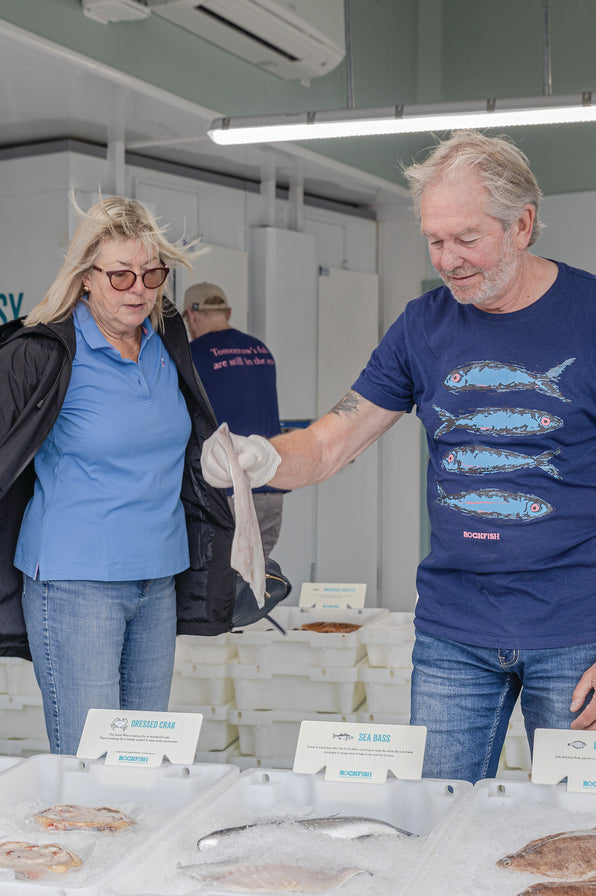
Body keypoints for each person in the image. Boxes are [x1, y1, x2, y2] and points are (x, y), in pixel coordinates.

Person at [201, 130, 596, 783]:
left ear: (522, 225)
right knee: (435, 813)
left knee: (578, 824)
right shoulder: (422, 325)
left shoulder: (588, 314)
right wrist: (262, 459)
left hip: (577, 631)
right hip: (454, 631)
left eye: (466, 238)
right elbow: (332, 439)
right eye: (434, 241)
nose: (448, 260)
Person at [0, 196, 240, 756]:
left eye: (152, 274)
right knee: (90, 763)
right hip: (74, 583)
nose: (139, 289)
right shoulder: (44, 351)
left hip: (157, 579)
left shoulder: (165, 342)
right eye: (121, 275)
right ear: (85, 277)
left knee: (143, 758)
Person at [183, 281, 285, 558]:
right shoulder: (261, 350)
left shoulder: (193, 355)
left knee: (221, 578)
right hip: (270, 486)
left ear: (192, 315)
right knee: (258, 575)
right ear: (227, 312)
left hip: (227, 491)